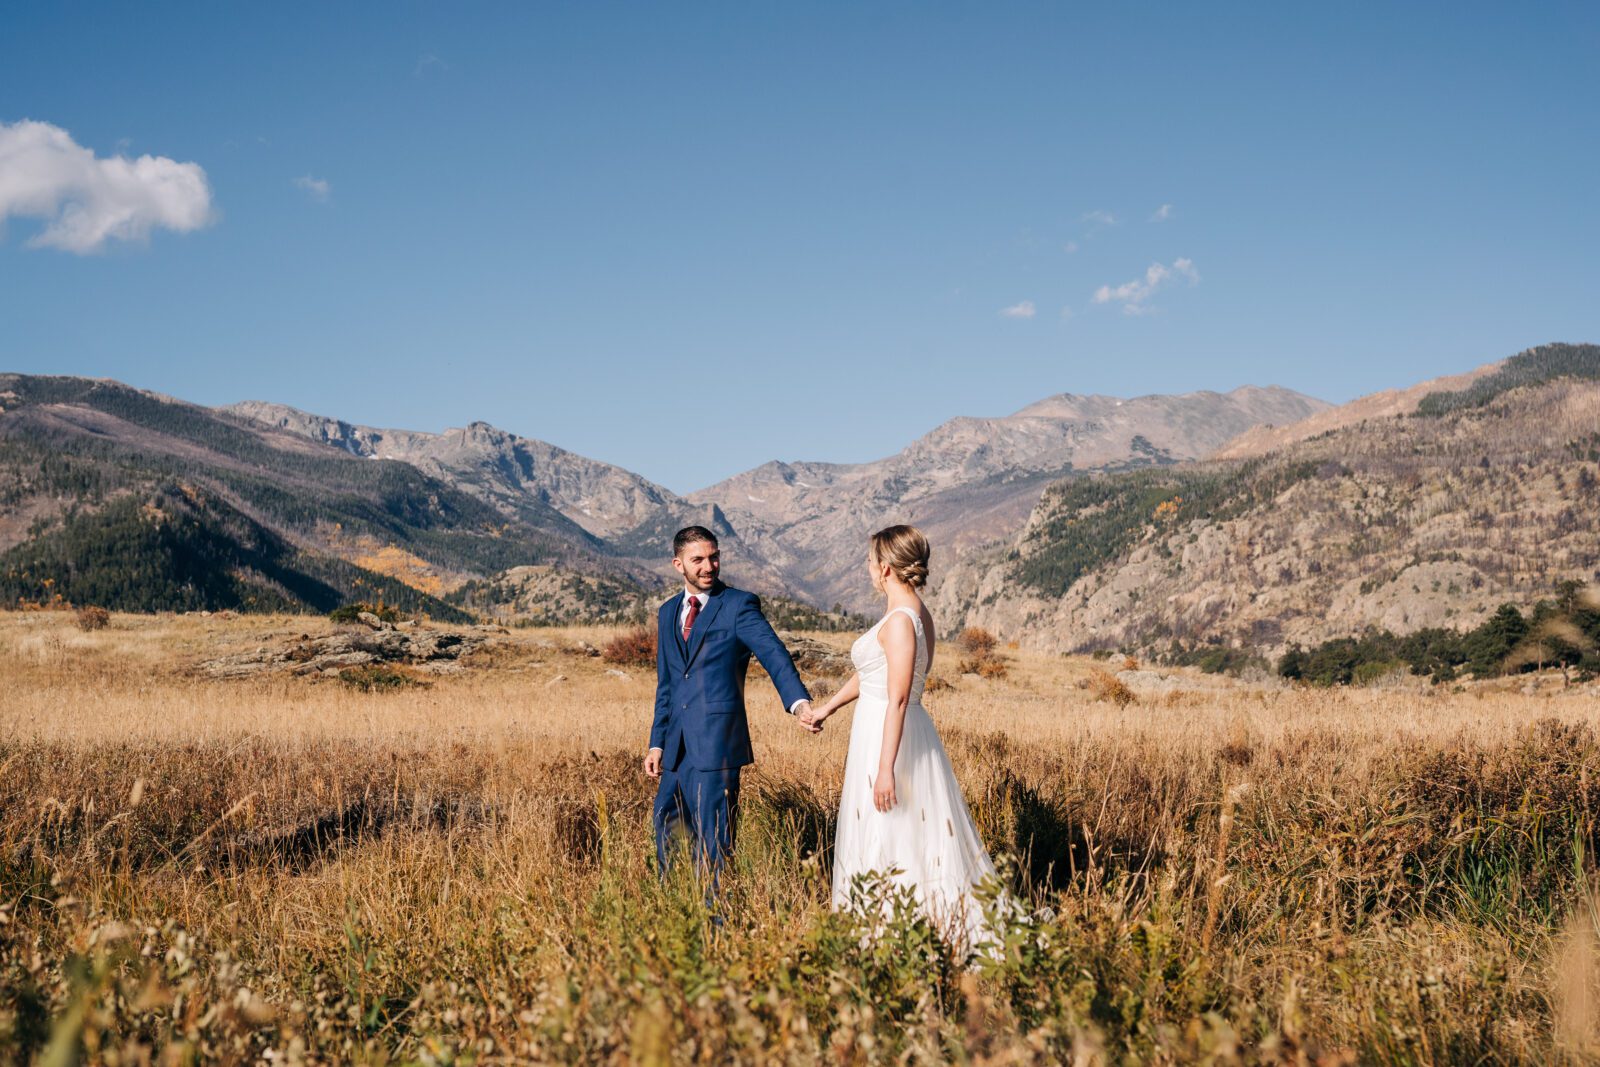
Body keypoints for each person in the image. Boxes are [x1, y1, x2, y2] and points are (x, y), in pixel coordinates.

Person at [800, 524, 1000, 951]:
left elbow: (899, 697)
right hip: (890, 728)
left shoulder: (901, 621)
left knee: (893, 826)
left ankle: (898, 930)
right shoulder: (912, 613)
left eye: (871, 562)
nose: (868, 568)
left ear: (885, 568)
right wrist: (827, 708)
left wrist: (885, 768)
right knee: (905, 828)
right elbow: (873, 673)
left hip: (890, 735)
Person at [644, 525, 816, 877]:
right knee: (666, 836)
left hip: (717, 744)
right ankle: (674, 919)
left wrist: (799, 703)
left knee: (714, 845)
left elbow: (774, 655)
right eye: (698, 560)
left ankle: (716, 924)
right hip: (675, 750)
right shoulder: (666, 612)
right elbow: (667, 686)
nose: (709, 566)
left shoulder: (738, 605)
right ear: (678, 564)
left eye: (714, 557)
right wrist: (656, 744)